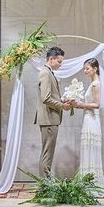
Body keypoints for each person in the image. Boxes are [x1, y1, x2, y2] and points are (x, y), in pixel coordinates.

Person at [71, 57, 104, 196]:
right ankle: (88, 181)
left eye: (87, 68)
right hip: (89, 118)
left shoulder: (95, 84)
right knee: (88, 148)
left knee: (90, 148)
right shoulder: (94, 83)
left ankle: (92, 183)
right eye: (84, 69)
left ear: (95, 69)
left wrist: (79, 104)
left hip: (92, 119)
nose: (85, 71)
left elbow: (96, 104)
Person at [34, 46, 71, 177]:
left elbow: (50, 96)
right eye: (59, 62)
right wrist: (62, 106)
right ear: (51, 59)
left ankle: (45, 182)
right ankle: (45, 183)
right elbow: (46, 98)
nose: (61, 65)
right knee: (47, 154)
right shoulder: (45, 73)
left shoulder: (48, 72)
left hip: (49, 119)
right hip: (48, 119)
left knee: (47, 153)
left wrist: (62, 100)